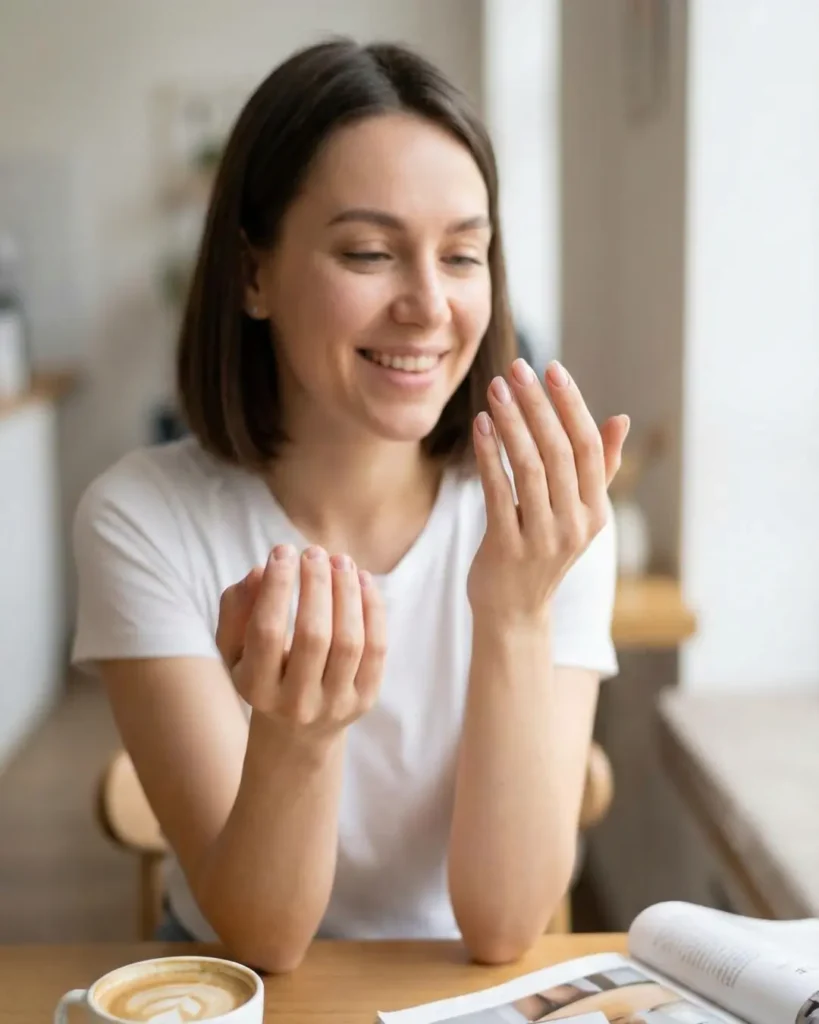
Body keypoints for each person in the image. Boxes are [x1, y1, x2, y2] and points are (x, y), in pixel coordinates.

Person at [71, 37, 629, 973]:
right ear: (253, 274)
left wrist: (515, 614)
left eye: (462, 255)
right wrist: (297, 735)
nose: (427, 304)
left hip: (453, 979)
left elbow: (500, 930)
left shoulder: (547, 525)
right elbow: (263, 940)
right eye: (369, 252)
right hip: (238, 979)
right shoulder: (143, 519)